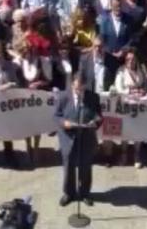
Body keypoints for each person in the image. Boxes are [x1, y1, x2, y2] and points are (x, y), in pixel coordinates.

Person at [55, 73, 102, 207]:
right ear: (72, 85)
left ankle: (85, 193)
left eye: (82, 89)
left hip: (86, 137)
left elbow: (99, 116)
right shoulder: (63, 97)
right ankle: (69, 193)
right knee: (68, 167)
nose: (79, 91)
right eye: (77, 89)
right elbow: (56, 116)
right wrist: (64, 123)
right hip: (68, 138)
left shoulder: (93, 97)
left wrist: (95, 122)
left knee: (85, 167)